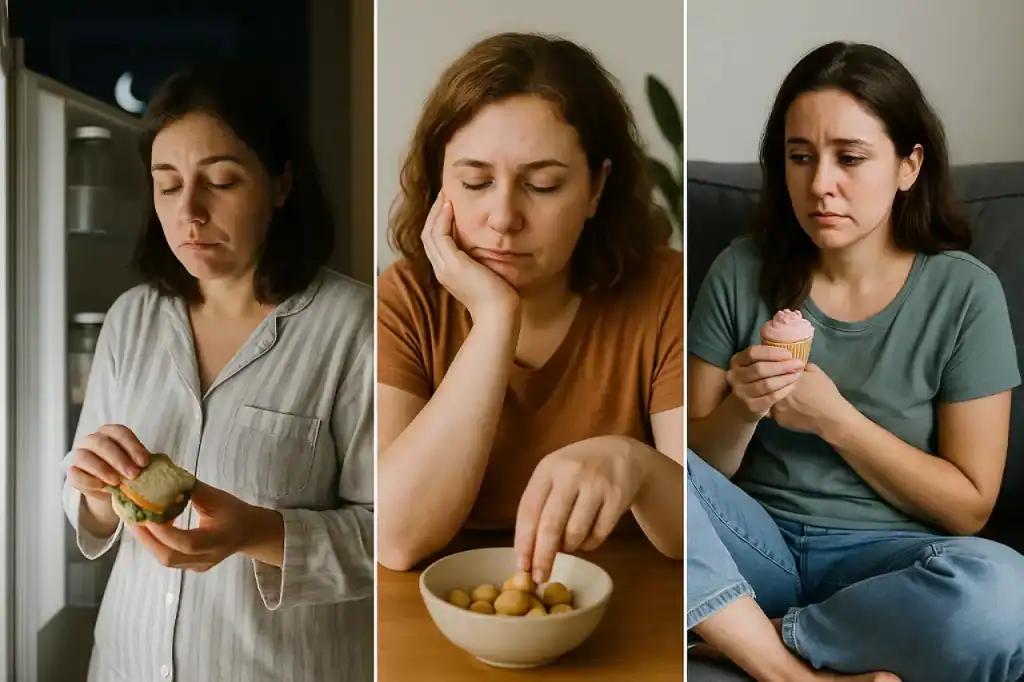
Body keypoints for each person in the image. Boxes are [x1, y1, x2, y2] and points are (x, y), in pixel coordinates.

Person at [687, 41, 1024, 682]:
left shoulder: (964, 292)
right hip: (753, 545)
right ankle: (793, 670)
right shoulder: (740, 269)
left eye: (850, 158)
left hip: (892, 565)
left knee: (1006, 595)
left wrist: (834, 420)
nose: (820, 185)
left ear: (908, 164)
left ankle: (744, 639)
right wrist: (744, 409)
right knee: (639, 463)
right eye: (800, 157)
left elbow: (968, 508)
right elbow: (693, 465)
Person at [61, 59, 374, 682]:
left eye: (222, 181)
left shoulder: (354, 325)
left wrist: (259, 533)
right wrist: (93, 490)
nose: (190, 212)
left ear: (281, 183)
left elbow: (391, 537)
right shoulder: (133, 318)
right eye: (167, 183)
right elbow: (86, 509)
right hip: (124, 663)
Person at [376, 32, 683, 582]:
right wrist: (495, 319)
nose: (503, 217)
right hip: (444, 608)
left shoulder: (664, 293)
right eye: (474, 181)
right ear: (438, 180)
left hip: (627, 600)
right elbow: (395, 538)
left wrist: (636, 465)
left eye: (542, 185)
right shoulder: (405, 300)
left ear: (596, 189)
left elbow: (706, 531)